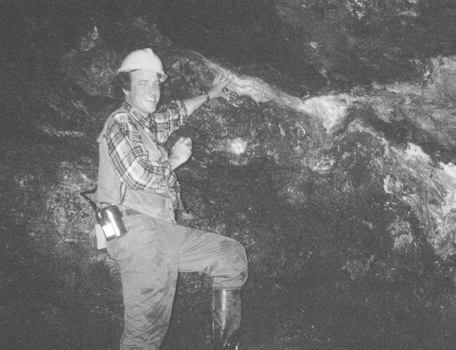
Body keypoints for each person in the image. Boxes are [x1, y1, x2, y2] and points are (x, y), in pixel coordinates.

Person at [95, 48, 248, 350]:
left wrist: (210, 94)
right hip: (134, 230)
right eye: (143, 83)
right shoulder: (120, 122)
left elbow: (176, 112)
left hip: (163, 230)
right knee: (145, 336)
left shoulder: (146, 124)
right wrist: (173, 159)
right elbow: (138, 174)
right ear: (125, 88)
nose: (153, 91)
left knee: (231, 256)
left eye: (156, 83)